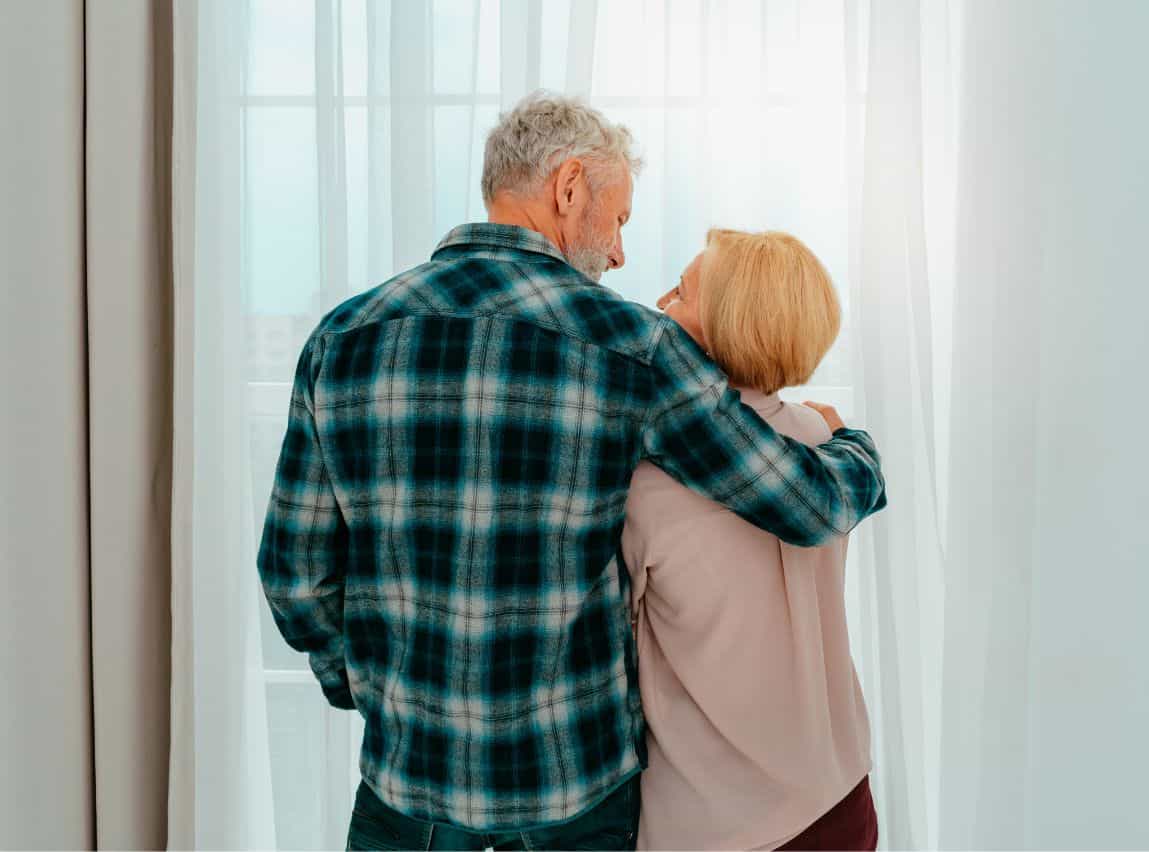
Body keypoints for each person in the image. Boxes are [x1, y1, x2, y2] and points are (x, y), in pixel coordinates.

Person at [256, 91, 886, 852]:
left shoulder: (342, 337)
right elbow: (806, 504)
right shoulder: (633, 346)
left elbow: (293, 573)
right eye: (618, 218)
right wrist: (854, 448)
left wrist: (369, 688)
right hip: (573, 794)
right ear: (567, 188)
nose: (620, 253)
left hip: (406, 784)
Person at [623, 229, 881, 851]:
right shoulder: (824, 440)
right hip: (843, 799)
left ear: (723, 326)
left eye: (681, 292)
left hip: (721, 825)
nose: (660, 302)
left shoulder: (646, 486)